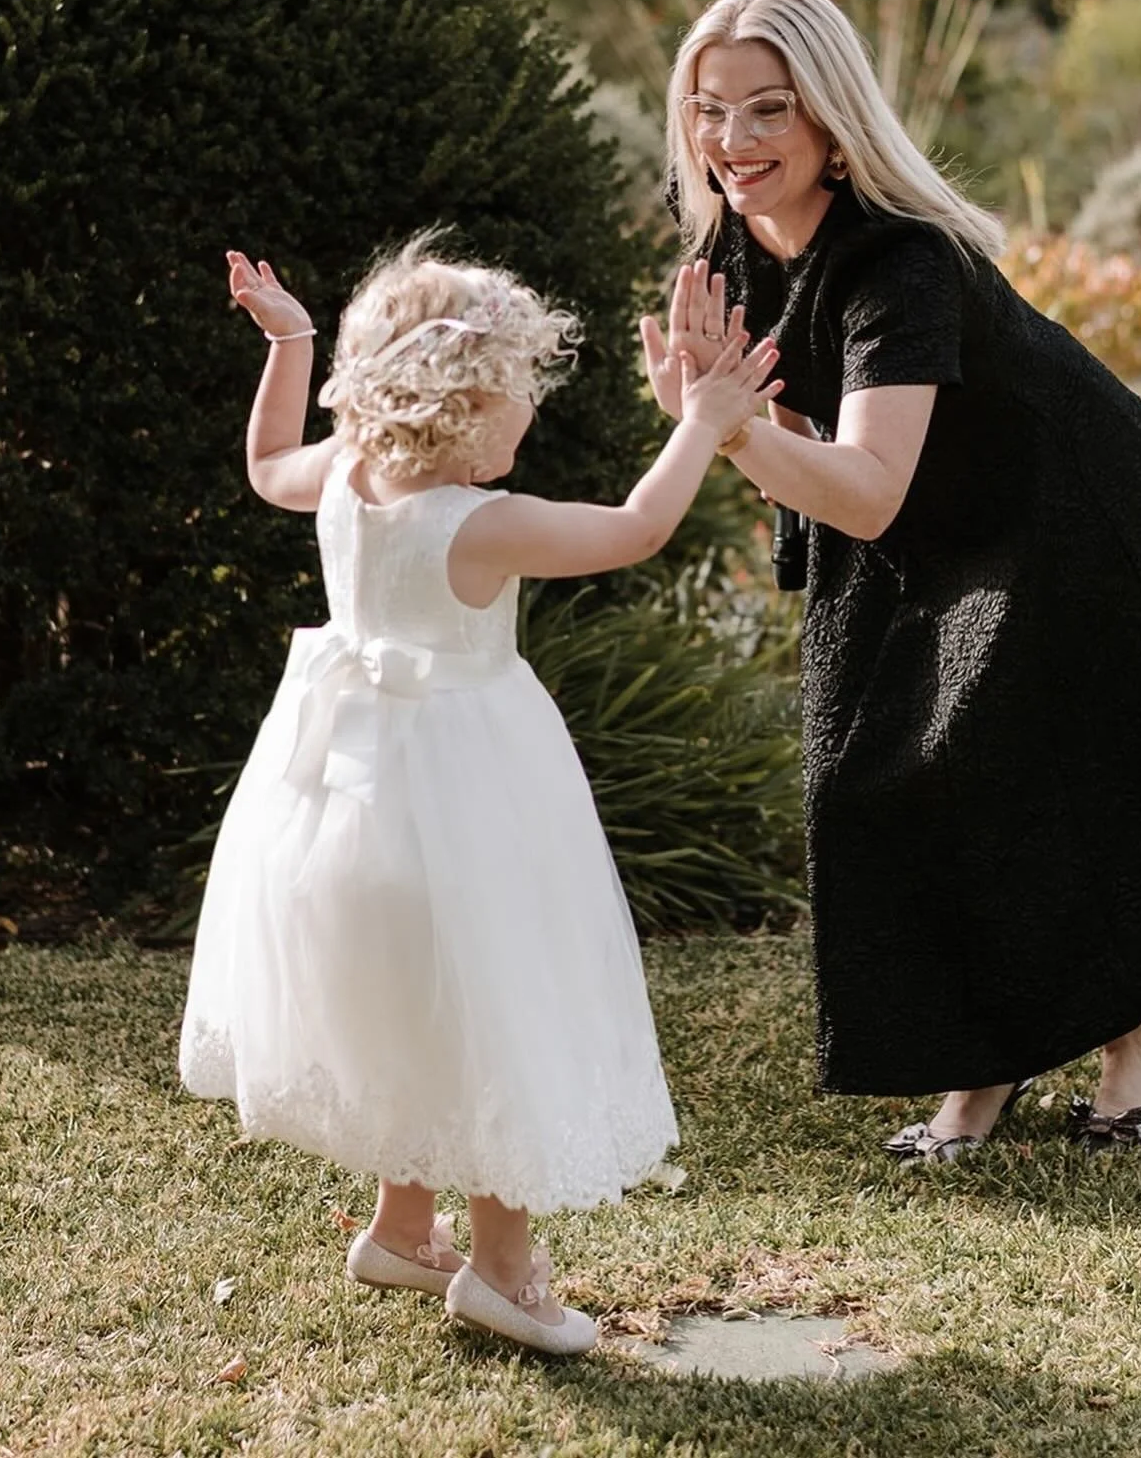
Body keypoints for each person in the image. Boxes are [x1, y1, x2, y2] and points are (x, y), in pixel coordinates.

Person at [642, 0, 1141, 1162]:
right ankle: (977, 1063)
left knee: (1062, 776)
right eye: (710, 111)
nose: (733, 141)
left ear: (831, 120)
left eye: (768, 110)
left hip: (1065, 501)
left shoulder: (900, 263)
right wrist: (719, 426)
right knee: (880, 776)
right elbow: (817, 465)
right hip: (919, 519)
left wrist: (721, 429)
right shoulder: (730, 253)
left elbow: (861, 480)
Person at [179, 232, 781, 1353]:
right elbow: (636, 529)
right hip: (467, 795)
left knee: (417, 997)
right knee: (496, 1006)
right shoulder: (476, 522)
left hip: (344, 798)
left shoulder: (344, 479)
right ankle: (502, 1273)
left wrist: (292, 344)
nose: (528, 418)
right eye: (516, 396)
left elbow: (267, 462)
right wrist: (702, 421)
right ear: (460, 406)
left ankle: (404, 1230)